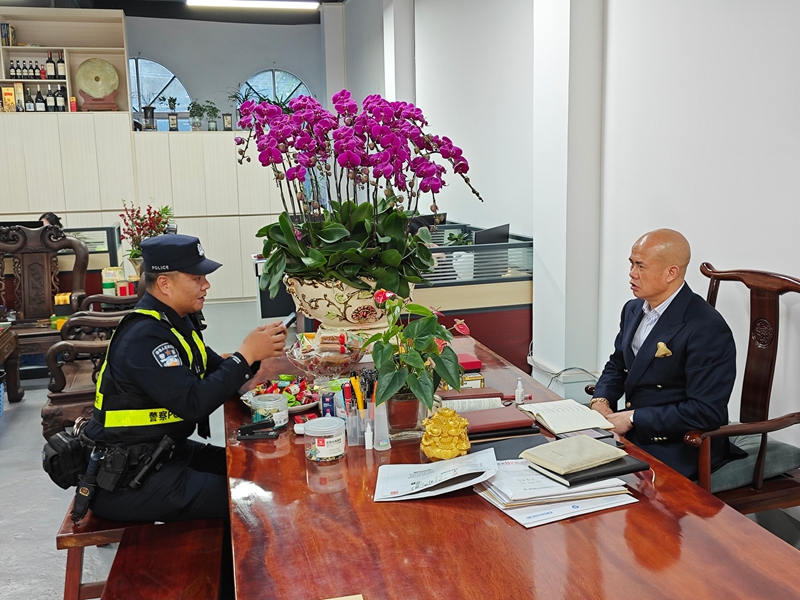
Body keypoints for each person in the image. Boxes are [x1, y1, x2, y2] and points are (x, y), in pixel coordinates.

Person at [83, 234, 287, 523]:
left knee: (256, 468)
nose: (206, 285)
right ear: (165, 284)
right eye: (196, 278)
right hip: (128, 478)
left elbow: (215, 369)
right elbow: (193, 403)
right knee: (250, 498)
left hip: (164, 452)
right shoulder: (144, 337)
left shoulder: (174, 322)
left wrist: (253, 354)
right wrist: (245, 354)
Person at [590, 228, 743, 479]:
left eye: (641, 266)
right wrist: (601, 401)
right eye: (631, 263)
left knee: (603, 486)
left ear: (671, 273)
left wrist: (632, 418)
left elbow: (706, 411)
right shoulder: (632, 309)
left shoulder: (706, 327)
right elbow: (618, 364)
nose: (631, 273)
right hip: (631, 432)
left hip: (679, 444)